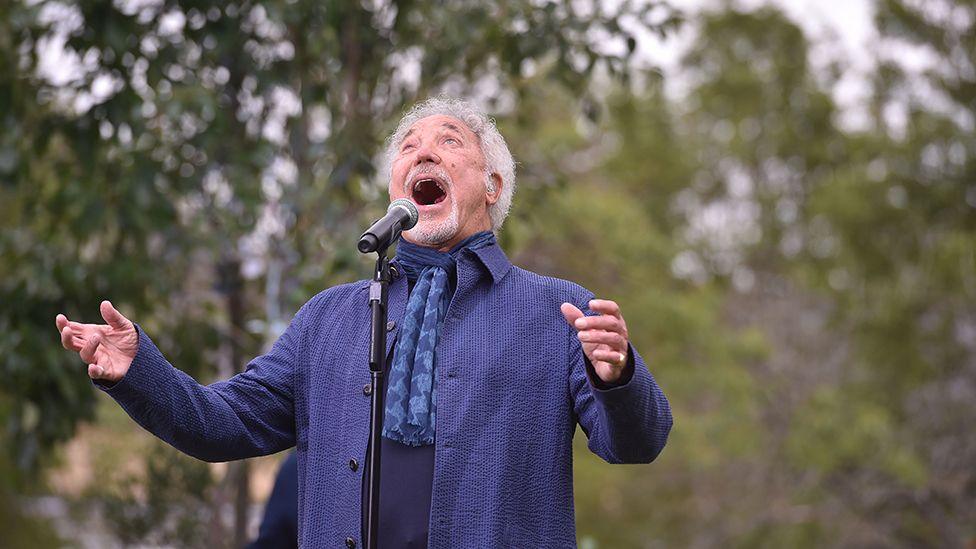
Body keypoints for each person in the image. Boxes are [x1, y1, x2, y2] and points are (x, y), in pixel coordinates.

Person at [56, 97, 672, 548]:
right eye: (407, 146)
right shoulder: (332, 318)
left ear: (492, 185)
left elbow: (638, 443)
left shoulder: (555, 309)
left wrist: (618, 375)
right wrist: (140, 369)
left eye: (450, 140)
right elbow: (224, 425)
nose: (422, 150)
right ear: (394, 189)